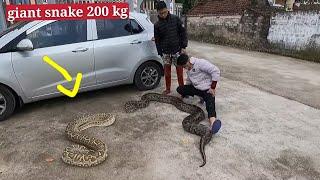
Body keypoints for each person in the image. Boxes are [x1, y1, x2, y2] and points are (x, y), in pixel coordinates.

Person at [176, 54, 222, 134]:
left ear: (188, 61)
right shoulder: (188, 69)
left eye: (184, 66)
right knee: (180, 89)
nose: (184, 68)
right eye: (183, 67)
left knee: (210, 104)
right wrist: (184, 92)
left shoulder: (200, 63)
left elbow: (216, 71)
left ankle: (213, 122)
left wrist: (213, 87)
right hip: (197, 88)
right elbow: (189, 81)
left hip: (207, 89)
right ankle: (201, 97)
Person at [154, 1, 188, 95]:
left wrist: (183, 46)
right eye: (161, 13)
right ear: (158, 13)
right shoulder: (157, 25)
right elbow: (157, 40)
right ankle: (168, 89)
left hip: (177, 50)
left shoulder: (176, 19)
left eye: (165, 12)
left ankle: (182, 91)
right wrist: (160, 52)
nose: (163, 15)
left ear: (167, 10)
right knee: (167, 73)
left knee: (180, 73)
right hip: (165, 52)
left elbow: (183, 33)